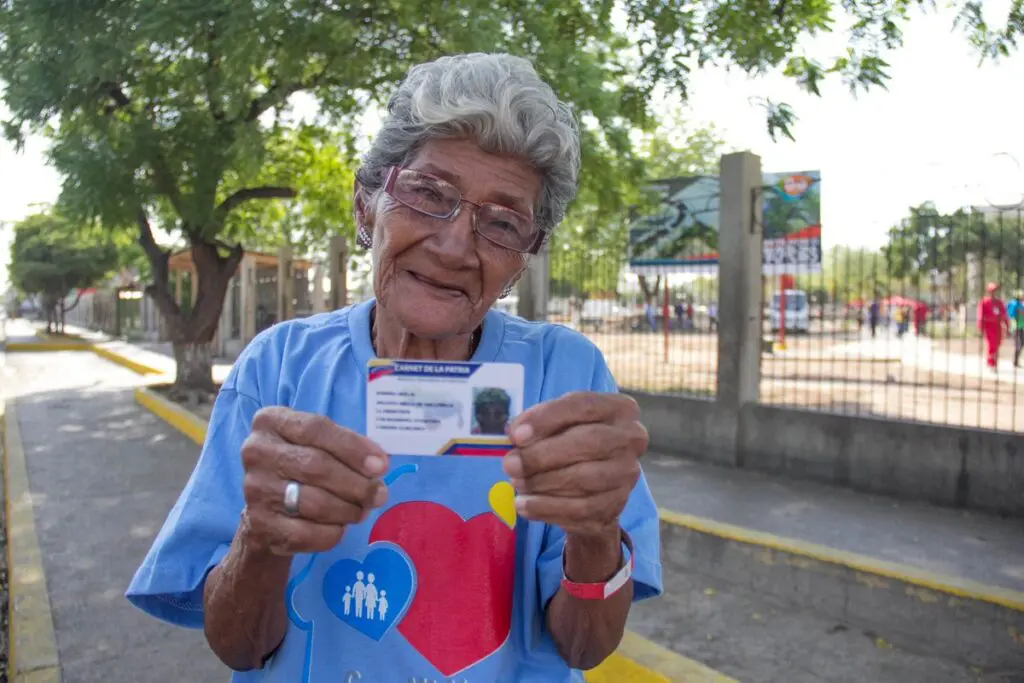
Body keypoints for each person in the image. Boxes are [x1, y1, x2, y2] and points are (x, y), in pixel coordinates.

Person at [126, 53, 661, 683]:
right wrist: (261, 539)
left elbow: (585, 649)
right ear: (365, 206)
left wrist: (597, 533)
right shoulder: (280, 368)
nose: (455, 245)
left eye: (502, 223)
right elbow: (238, 646)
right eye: (428, 193)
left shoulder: (565, 373)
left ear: (522, 260)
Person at [977, 282, 1010, 372]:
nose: (993, 293)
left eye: (995, 291)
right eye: (992, 291)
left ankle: (993, 361)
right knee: (992, 344)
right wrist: (981, 327)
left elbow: (1004, 315)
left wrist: (1007, 326)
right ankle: (991, 363)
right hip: (989, 326)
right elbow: (980, 315)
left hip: (998, 327)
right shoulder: (984, 302)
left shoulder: (999, 302)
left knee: (997, 344)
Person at [1007, 289, 1024, 367]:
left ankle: (1016, 361)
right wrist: (1019, 312)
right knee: (1018, 344)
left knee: (1021, 344)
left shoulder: (1021, 304)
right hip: (1016, 327)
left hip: (1022, 327)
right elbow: (1011, 314)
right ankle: (1015, 361)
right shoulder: (1014, 304)